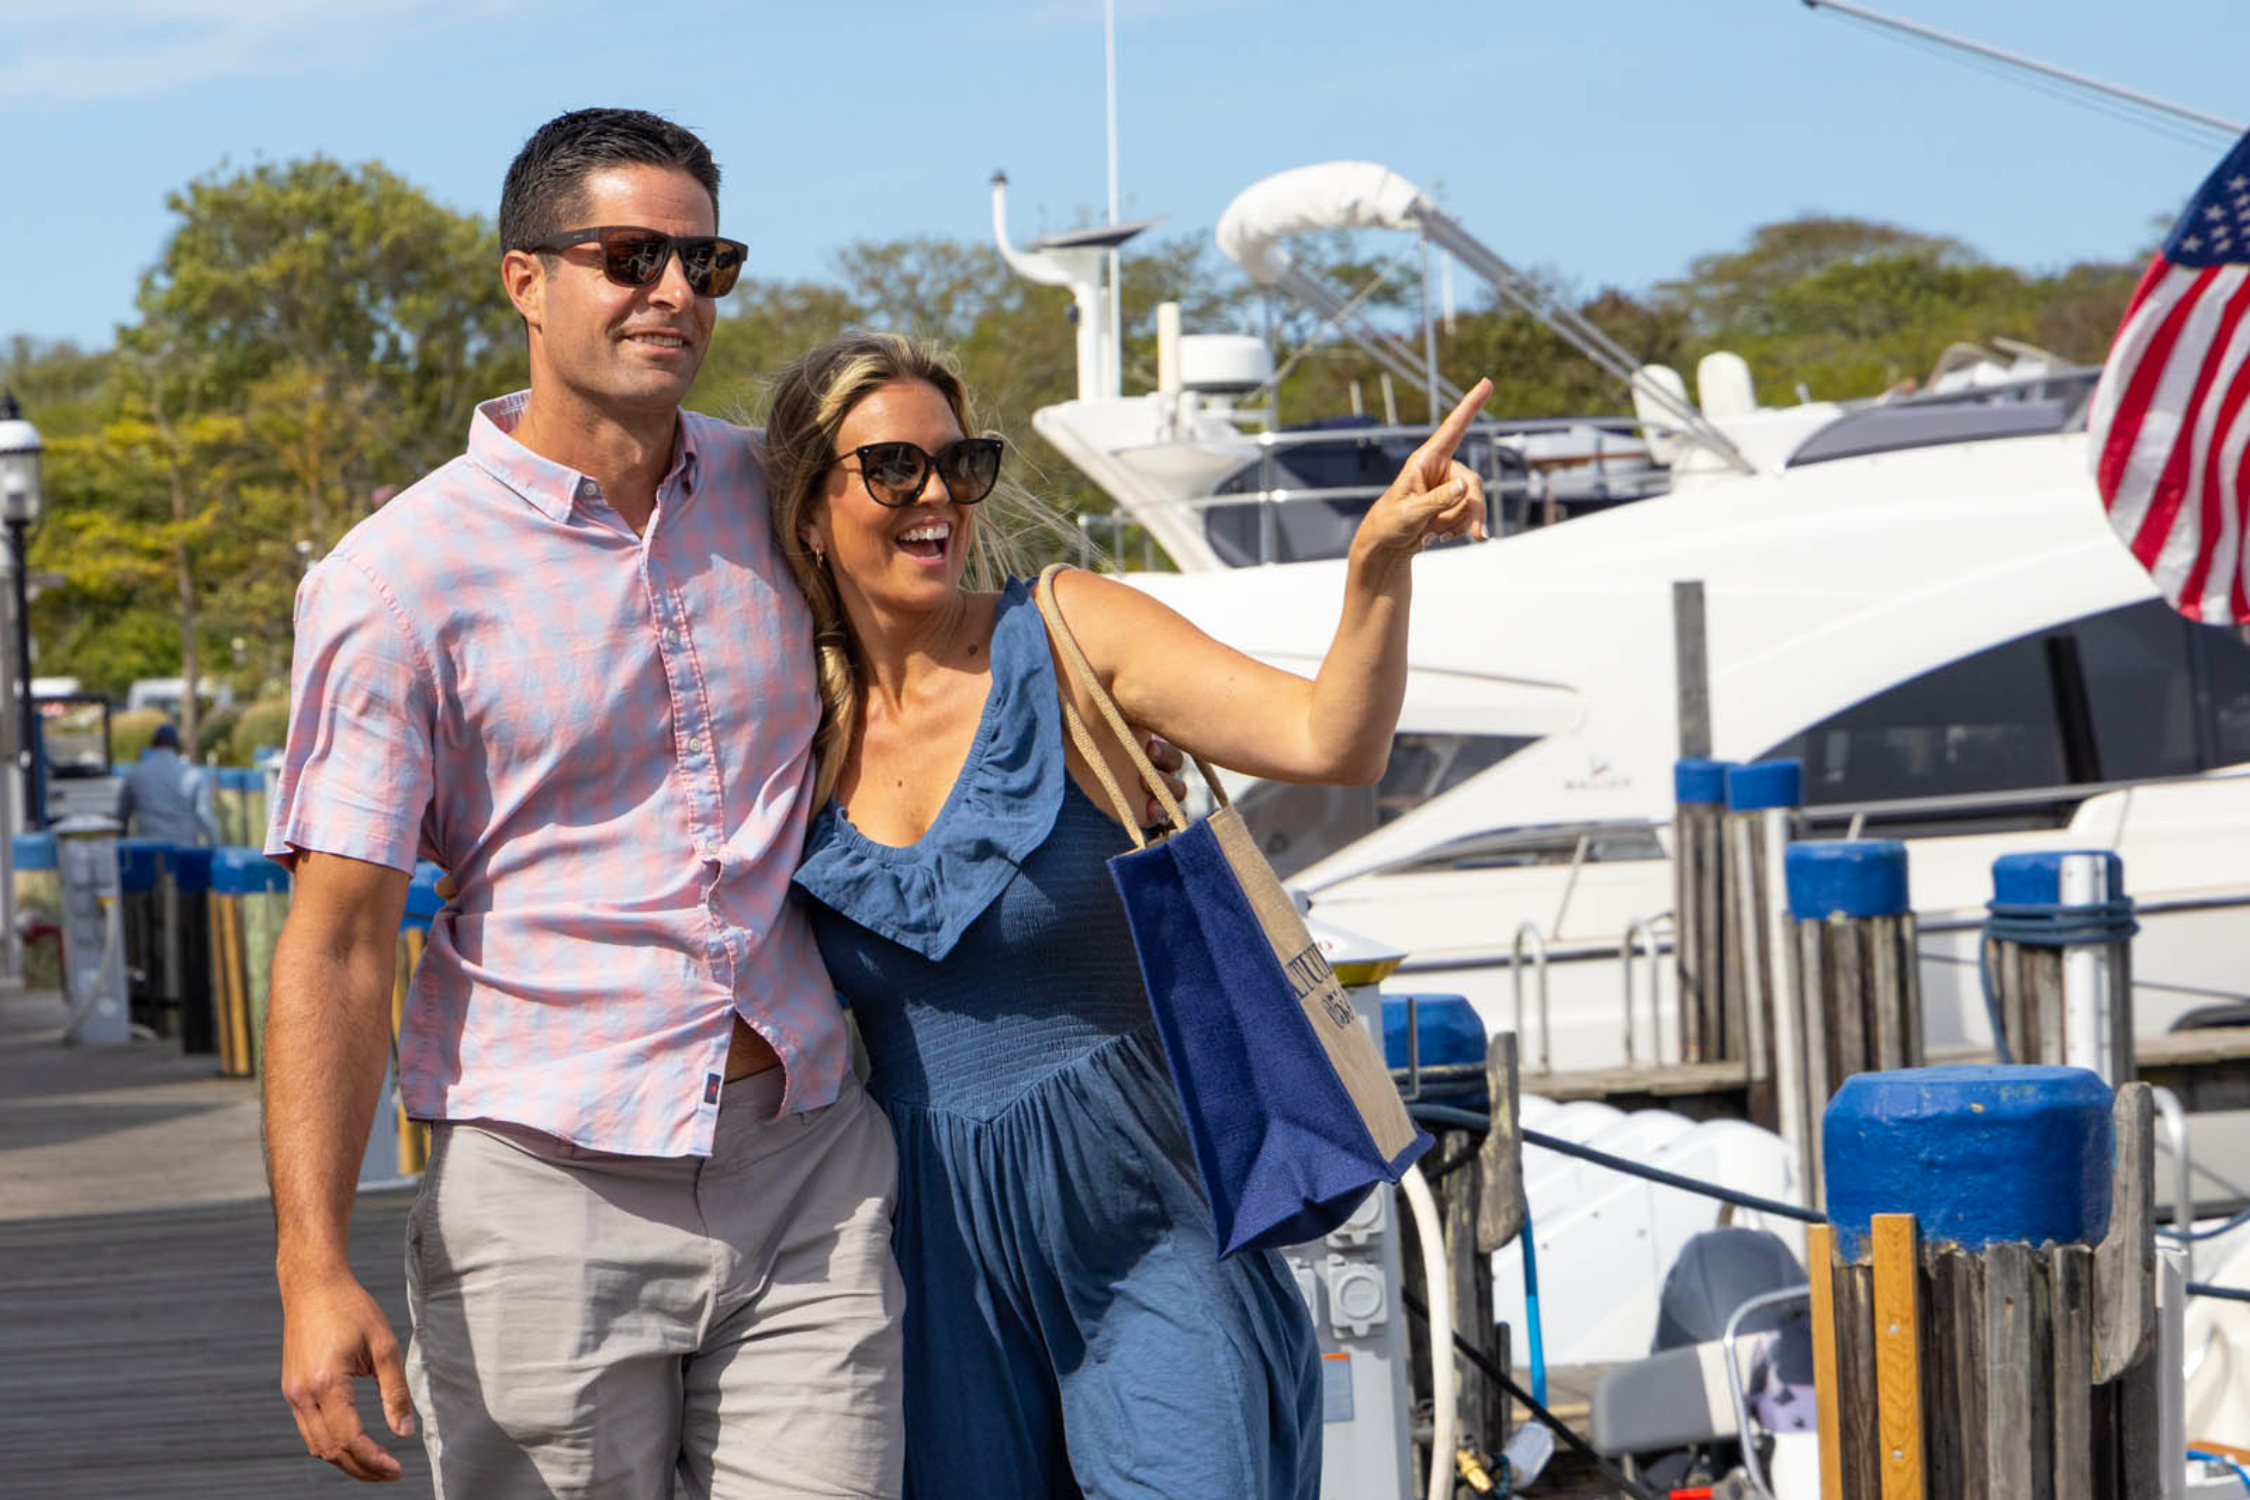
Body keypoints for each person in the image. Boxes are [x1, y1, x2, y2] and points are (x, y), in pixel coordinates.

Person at [261, 109, 907, 1498]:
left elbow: (943, 632)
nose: (674, 293)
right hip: (546, 1194)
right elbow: (337, 940)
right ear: (525, 280)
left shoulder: (778, 494)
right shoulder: (395, 583)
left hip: (805, 1165)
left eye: (703, 260)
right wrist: (310, 1265)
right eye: (628, 257)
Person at [764, 331, 1491, 1498]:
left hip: (1139, 1207)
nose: (938, 494)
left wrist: (1377, 567)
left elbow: (1327, 739)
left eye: (962, 463)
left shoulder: (1065, 635)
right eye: (895, 467)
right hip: (927, 1236)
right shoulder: (787, 717)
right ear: (811, 509)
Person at [116, 723, 221, 845]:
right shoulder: (193, 774)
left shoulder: (135, 773)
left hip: (148, 852)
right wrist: (215, 847)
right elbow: (205, 815)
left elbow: (122, 817)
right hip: (184, 851)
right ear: (176, 746)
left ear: (153, 744)